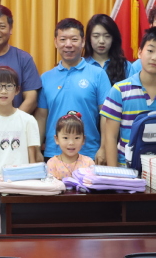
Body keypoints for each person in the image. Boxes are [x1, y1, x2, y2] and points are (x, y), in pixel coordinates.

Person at [101, 27, 156, 166]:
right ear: (140, 52)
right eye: (150, 50)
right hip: (126, 168)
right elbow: (111, 136)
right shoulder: (119, 90)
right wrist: (113, 172)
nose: (155, 57)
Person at [36, 18, 111, 164]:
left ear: (83, 42)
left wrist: (103, 148)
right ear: (55, 42)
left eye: (74, 39)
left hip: (89, 154)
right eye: (63, 39)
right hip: (53, 154)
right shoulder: (45, 78)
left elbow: (106, 116)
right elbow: (41, 117)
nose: (68, 44)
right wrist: (37, 149)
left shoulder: (98, 74)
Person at [0, 66, 41, 182]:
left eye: (9, 86)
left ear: (17, 90)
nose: (3, 91)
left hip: (21, 184)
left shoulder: (28, 120)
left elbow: (32, 159)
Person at [83, 14, 131, 86]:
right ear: (89, 38)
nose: (101, 41)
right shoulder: (82, 65)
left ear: (113, 38)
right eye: (96, 36)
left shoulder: (125, 66)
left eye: (107, 36)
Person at [46, 111, 95, 180]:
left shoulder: (88, 162)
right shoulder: (52, 163)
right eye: (65, 138)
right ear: (57, 139)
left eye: (76, 138)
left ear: (83, 140)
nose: (71, 143)